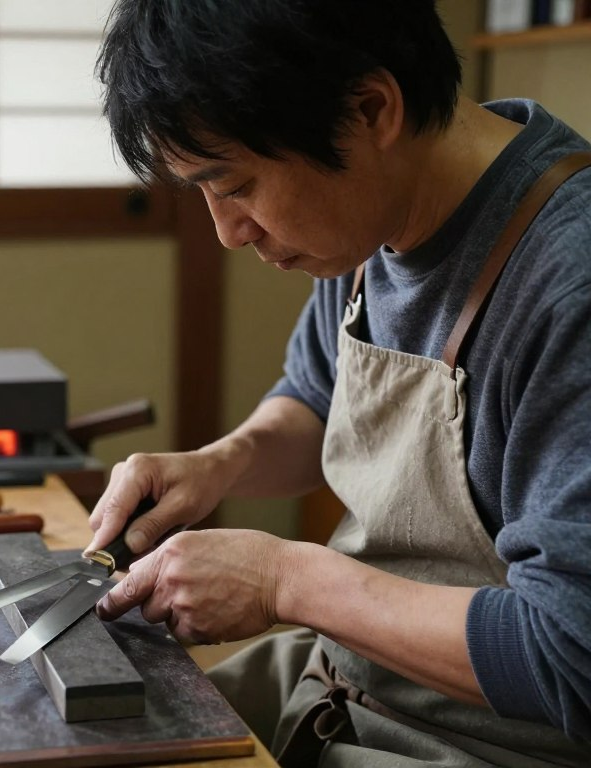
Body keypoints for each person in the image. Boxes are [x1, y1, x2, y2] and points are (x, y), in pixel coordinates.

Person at [86, 1, 591, 766]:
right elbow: (318, 401)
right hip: (340, 684)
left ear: (370, 110)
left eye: (235, 184)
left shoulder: (567, 283)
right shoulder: (373, 218)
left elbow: (570, 658)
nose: (227, 230)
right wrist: (223, 461)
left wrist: (284, 580)